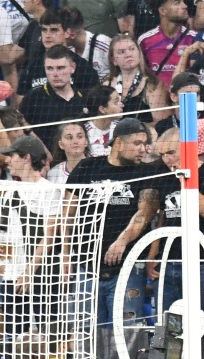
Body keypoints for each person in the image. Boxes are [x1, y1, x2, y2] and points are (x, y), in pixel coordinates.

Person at [67, 119, 162, 328]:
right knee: (86, 337)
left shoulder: (147, 172)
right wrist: (65, 257)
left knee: (126, 335)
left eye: (145, 143)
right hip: (86, 268)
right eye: (137, 143)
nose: (143, 149)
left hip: (127, 269)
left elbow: (145, 213)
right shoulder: (87, 167)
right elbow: (67, 215)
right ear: (118, 142)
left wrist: (122, 240)